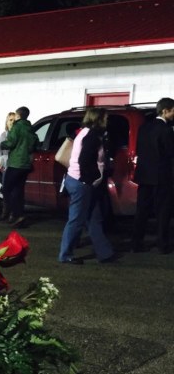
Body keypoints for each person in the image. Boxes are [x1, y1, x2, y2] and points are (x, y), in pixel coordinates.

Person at [57, 107, 115, 265]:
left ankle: (104, 252)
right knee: (76, 220)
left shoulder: (84, 132)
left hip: (78, 180)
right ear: (98, 118)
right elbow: (85, 160)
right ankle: (65, 255)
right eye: (105, 117)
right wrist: (91, 178)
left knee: (93, 218)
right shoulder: (92, 136)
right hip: (82, 183)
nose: (107, 120)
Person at [130, 97, 174, 254]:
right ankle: (162, 244)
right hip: (161, 177)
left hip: (144, 175)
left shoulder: (144, 128)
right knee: (163, 212)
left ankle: (136, 243)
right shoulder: (166, 130)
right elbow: (170, 153)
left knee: (142, 211)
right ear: (165, 110)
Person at [0, 106, 37, 227]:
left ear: (18, 116)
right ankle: (18, 215)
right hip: (26, 164)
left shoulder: (17, 127)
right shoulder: (30, 129)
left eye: (15, 115)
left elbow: (11, 142)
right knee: (18, 190)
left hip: (16, 163)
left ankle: (17, 214)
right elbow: (34, 144)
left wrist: (2, 144)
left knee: (7, 189)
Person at [0, 112, 16, 220]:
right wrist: (0, 159)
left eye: (14, 120)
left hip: (16, 164)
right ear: (6, 122)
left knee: (14, 190)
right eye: (10, 120)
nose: (12, 122)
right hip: (7, 165)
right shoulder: (4, 135)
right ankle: (5, 212)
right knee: (6, 189)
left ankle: (13, 213)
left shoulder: (17, 134)